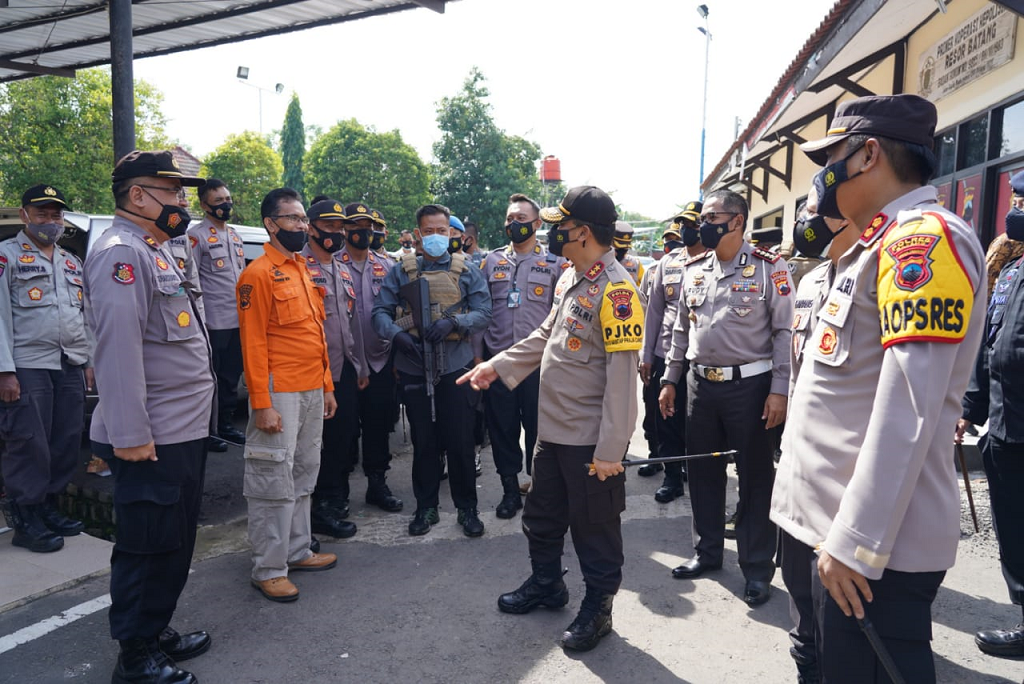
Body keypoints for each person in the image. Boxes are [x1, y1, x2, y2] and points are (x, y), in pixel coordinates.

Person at [770, 94, 986, 683]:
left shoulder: (923, 240)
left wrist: (856, 541)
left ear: (867, 155)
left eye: (831, 156)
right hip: (827, 534)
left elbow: (908, 405)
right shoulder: (868, 248)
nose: (824, 174)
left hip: (869, 555)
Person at [459, 185, 641, 652]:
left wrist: (610, 453)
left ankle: (598, 609)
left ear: (581, 231)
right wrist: (496, 366)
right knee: (541, 517)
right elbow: (545, 334)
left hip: (588, 440)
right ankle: (547, 585)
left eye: (561, 224)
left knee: (594, 529)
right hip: (552, 430)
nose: (554, 231)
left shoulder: (618, 291)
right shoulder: (569, 277)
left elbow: (622, 383)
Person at [86, 150, 214, 684]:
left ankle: (155, 628)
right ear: (138, 196)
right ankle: (134, 656)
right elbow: (118, 354)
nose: (183, 202)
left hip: (183, 428)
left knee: (175, 538)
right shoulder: (121, 253)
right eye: (173, 192)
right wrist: (130, 435)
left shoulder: (157, 250)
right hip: (151, 435)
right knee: (146, 543)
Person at [658, 189, 793, 607]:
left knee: (754, 477)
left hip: (750, 388)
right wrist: (670, 378)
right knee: (702, 472)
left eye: (711, 216)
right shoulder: (694, 269)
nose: (702, 225)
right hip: (701, 385)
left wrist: (779, 390)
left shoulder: (771, 267)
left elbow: (783, 333)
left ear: (736, 221)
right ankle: (708, 552)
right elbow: (681, 329)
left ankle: (756, 568)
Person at [238, 188, 339, 604]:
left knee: (303, 472)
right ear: (270, 223)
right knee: (272, 479)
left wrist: (328, 386)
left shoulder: (303, 269)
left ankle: (297, 550)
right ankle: (268, 568)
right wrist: (261, 403)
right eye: (293, 220)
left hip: (312, 387)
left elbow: (317, 335)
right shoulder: (257, 274)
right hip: (279, 392)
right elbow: (252, 344)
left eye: (303, 220)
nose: (302, 226)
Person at [372, 204, 491, 537]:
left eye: (444, 231)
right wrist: (397, 335)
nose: (437, 237)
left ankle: (467, 508)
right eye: (430, 231)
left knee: (460, 441)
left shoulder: (467, 269)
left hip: (456, 366)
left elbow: (483, 312)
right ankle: (426, 508)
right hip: (414, 366)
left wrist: (454, 322)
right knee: (424, 442)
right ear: (419, 233)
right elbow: (379, 312)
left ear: (452, 234)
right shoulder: (401, 270)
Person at [776, 183, 849, 684]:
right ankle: (808, 665)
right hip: (797, 465)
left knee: (840, 611)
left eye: (810, 206)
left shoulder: (876, 274)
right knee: (798, 584)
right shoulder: (810, 281)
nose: (804, 216)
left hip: (843, 476)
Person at [0, 184, 90, 553]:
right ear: (24, 215)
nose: (50, 221)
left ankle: (48, 507)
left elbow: (86, 317)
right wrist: (5, 370)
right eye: (42, 214)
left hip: (68, 363)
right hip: (27, 366)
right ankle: (25, 517)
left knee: (66, 440)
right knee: (28, 445)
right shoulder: (6, 256)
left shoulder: (72, 262)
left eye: (56, 215)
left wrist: (87, 362)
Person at [958, 170, 1024, 660]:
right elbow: (989, 347)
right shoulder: (1013, 271)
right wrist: (969, 408)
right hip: (1004, 429)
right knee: (1015, 536)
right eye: (1017, 199)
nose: (1015, 209)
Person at [474, 193, 566, 518]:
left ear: (537, 224)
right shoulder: (490, 262)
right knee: (502, 429)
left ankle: (540, 487)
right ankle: (510, 490)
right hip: (499, 365)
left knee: (541, 431)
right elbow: (481, 313)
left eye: (521, 220)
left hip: (540, 366)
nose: (514, 224)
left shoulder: (555, 264)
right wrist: (478, 359)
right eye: (510, 219)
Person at [302, 199, 367, 541]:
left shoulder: (341, 268)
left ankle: (333, 500)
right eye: (328, 227)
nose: (337, 234)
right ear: (310, 228)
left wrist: (358, 365)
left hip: (343, 369)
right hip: (311, 371)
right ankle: (314, 509)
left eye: (340, 227)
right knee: (314, 444)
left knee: (342, 439)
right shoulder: (299, 267)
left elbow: (349, 323)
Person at [338, 202, 404, 514]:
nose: (363, 232)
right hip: (345, 363)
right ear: (344, 230)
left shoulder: (387, 266)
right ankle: (336, 494)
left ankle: (377, 484)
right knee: (343, 429)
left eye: (368, 226)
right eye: (355, 226)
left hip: (380, 360)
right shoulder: (332, 265)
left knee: (378, 426)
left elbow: (401, 312)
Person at [639, 201, 704, 503]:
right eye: (682, 224)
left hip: (702, 357)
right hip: (666, 353)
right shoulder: (667, 263)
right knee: (666, 418)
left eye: (692, 224)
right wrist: (646, 355)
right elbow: (653, 312)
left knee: (699, 421)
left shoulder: (718, 259)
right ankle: (671, 476)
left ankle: (698, 470)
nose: (685, 230)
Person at [187, 178, 248, 450]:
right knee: (209, 377)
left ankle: (225, 424)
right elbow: (192, 278)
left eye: (227, 199)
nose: (226, 205)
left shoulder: (234, 235)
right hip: (212, 321)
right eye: (219, 201)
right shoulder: (196, 236)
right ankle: (207, 430)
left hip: (238, 319)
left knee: (230, 376)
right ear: (204, 205)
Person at [982, 172, 1024, 300]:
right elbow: (985, 282)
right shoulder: (1006, 242)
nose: (1016, 210)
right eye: (1015, 204)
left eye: (1022, 205)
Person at [612, 220, 645, 284]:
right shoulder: (597, 261)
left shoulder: (635, 264)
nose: (621, 251)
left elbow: (643, 289)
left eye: (625, 248)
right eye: (618, 247)